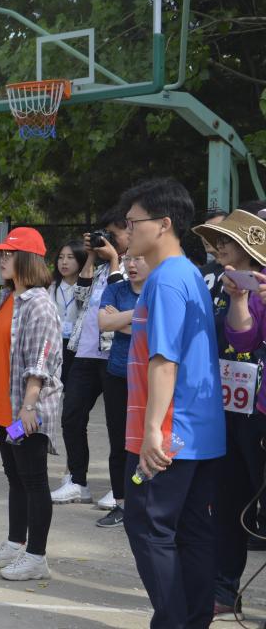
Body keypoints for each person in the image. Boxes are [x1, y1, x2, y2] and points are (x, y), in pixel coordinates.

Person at [120, 178, 224, 628]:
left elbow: (165, 361)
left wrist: (152, 433)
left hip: (169, 434)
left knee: (148, 527)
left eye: (133, 222)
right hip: (198, 432)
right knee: (191, 529)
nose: (126, 231)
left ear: (163, 224)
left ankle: (174, 622)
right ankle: (193, 619)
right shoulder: (189, 274)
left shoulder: (165, 280)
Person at [0, 227, 62, 581]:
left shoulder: (39, 303)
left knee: (34, 479)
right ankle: (15, 543)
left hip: (26, 410)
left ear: (28, 259)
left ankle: (36, 556)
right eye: (1, 254)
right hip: (4, 408)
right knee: (15, 477)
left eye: (9, 254)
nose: (2, 260)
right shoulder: (9, 297)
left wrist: (29, 406)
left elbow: (41, 359)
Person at [194, 209, 266, 620]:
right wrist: (238, 299)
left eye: (227, 240)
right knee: (227, 499)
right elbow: (239, 337)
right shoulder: (214, 280)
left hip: (260, 407)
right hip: (228, 403)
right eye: (217, 240)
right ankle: (224, 589)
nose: (218, 246)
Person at [52, 208, 129, 507]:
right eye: (104, 234)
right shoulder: (97, 269)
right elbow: (80, 298)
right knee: (72, 416)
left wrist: (115, 260)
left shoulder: (135, 266)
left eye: (113, 234)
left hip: (113, 353)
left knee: (117, 424)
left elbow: (122, 298)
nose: (108, 239)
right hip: (84, 352)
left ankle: (119, 488)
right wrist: (92, 258)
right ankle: (77, 482)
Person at [94, 254, 149, 529]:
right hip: (117, 373)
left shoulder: (158, 289)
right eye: (128, 259)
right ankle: (121, 503)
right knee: (119, 441)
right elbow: (103, 324)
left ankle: (146, 503)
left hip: (149, 378)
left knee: (148, 441)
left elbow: (156, 329)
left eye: (139, 259)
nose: (132, 265)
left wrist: (121, 319)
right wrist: (141, 315)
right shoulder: (116, 289)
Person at [49, 240, 87, 385]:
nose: (64, 262)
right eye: (61, 257)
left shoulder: (87, 289)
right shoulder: (50, 287)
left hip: (77, 346)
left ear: (81, 260)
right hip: (54, 343)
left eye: (70, 257)